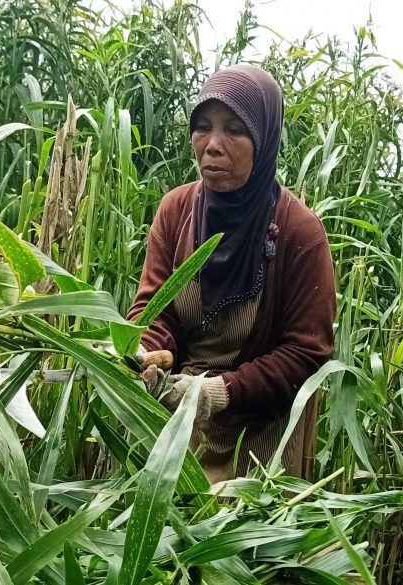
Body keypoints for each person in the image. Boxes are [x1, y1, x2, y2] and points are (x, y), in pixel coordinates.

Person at [127, 64, 336, 484]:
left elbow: (305, 354)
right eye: (202, 127)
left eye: (234, 130)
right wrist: (143, 351)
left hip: (258, 438)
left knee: (234, 544)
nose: (213, 145)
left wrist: (216, 392)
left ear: (264, 138)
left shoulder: (299, 232)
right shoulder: (176, 212)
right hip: (177, 424)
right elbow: (156, 309)